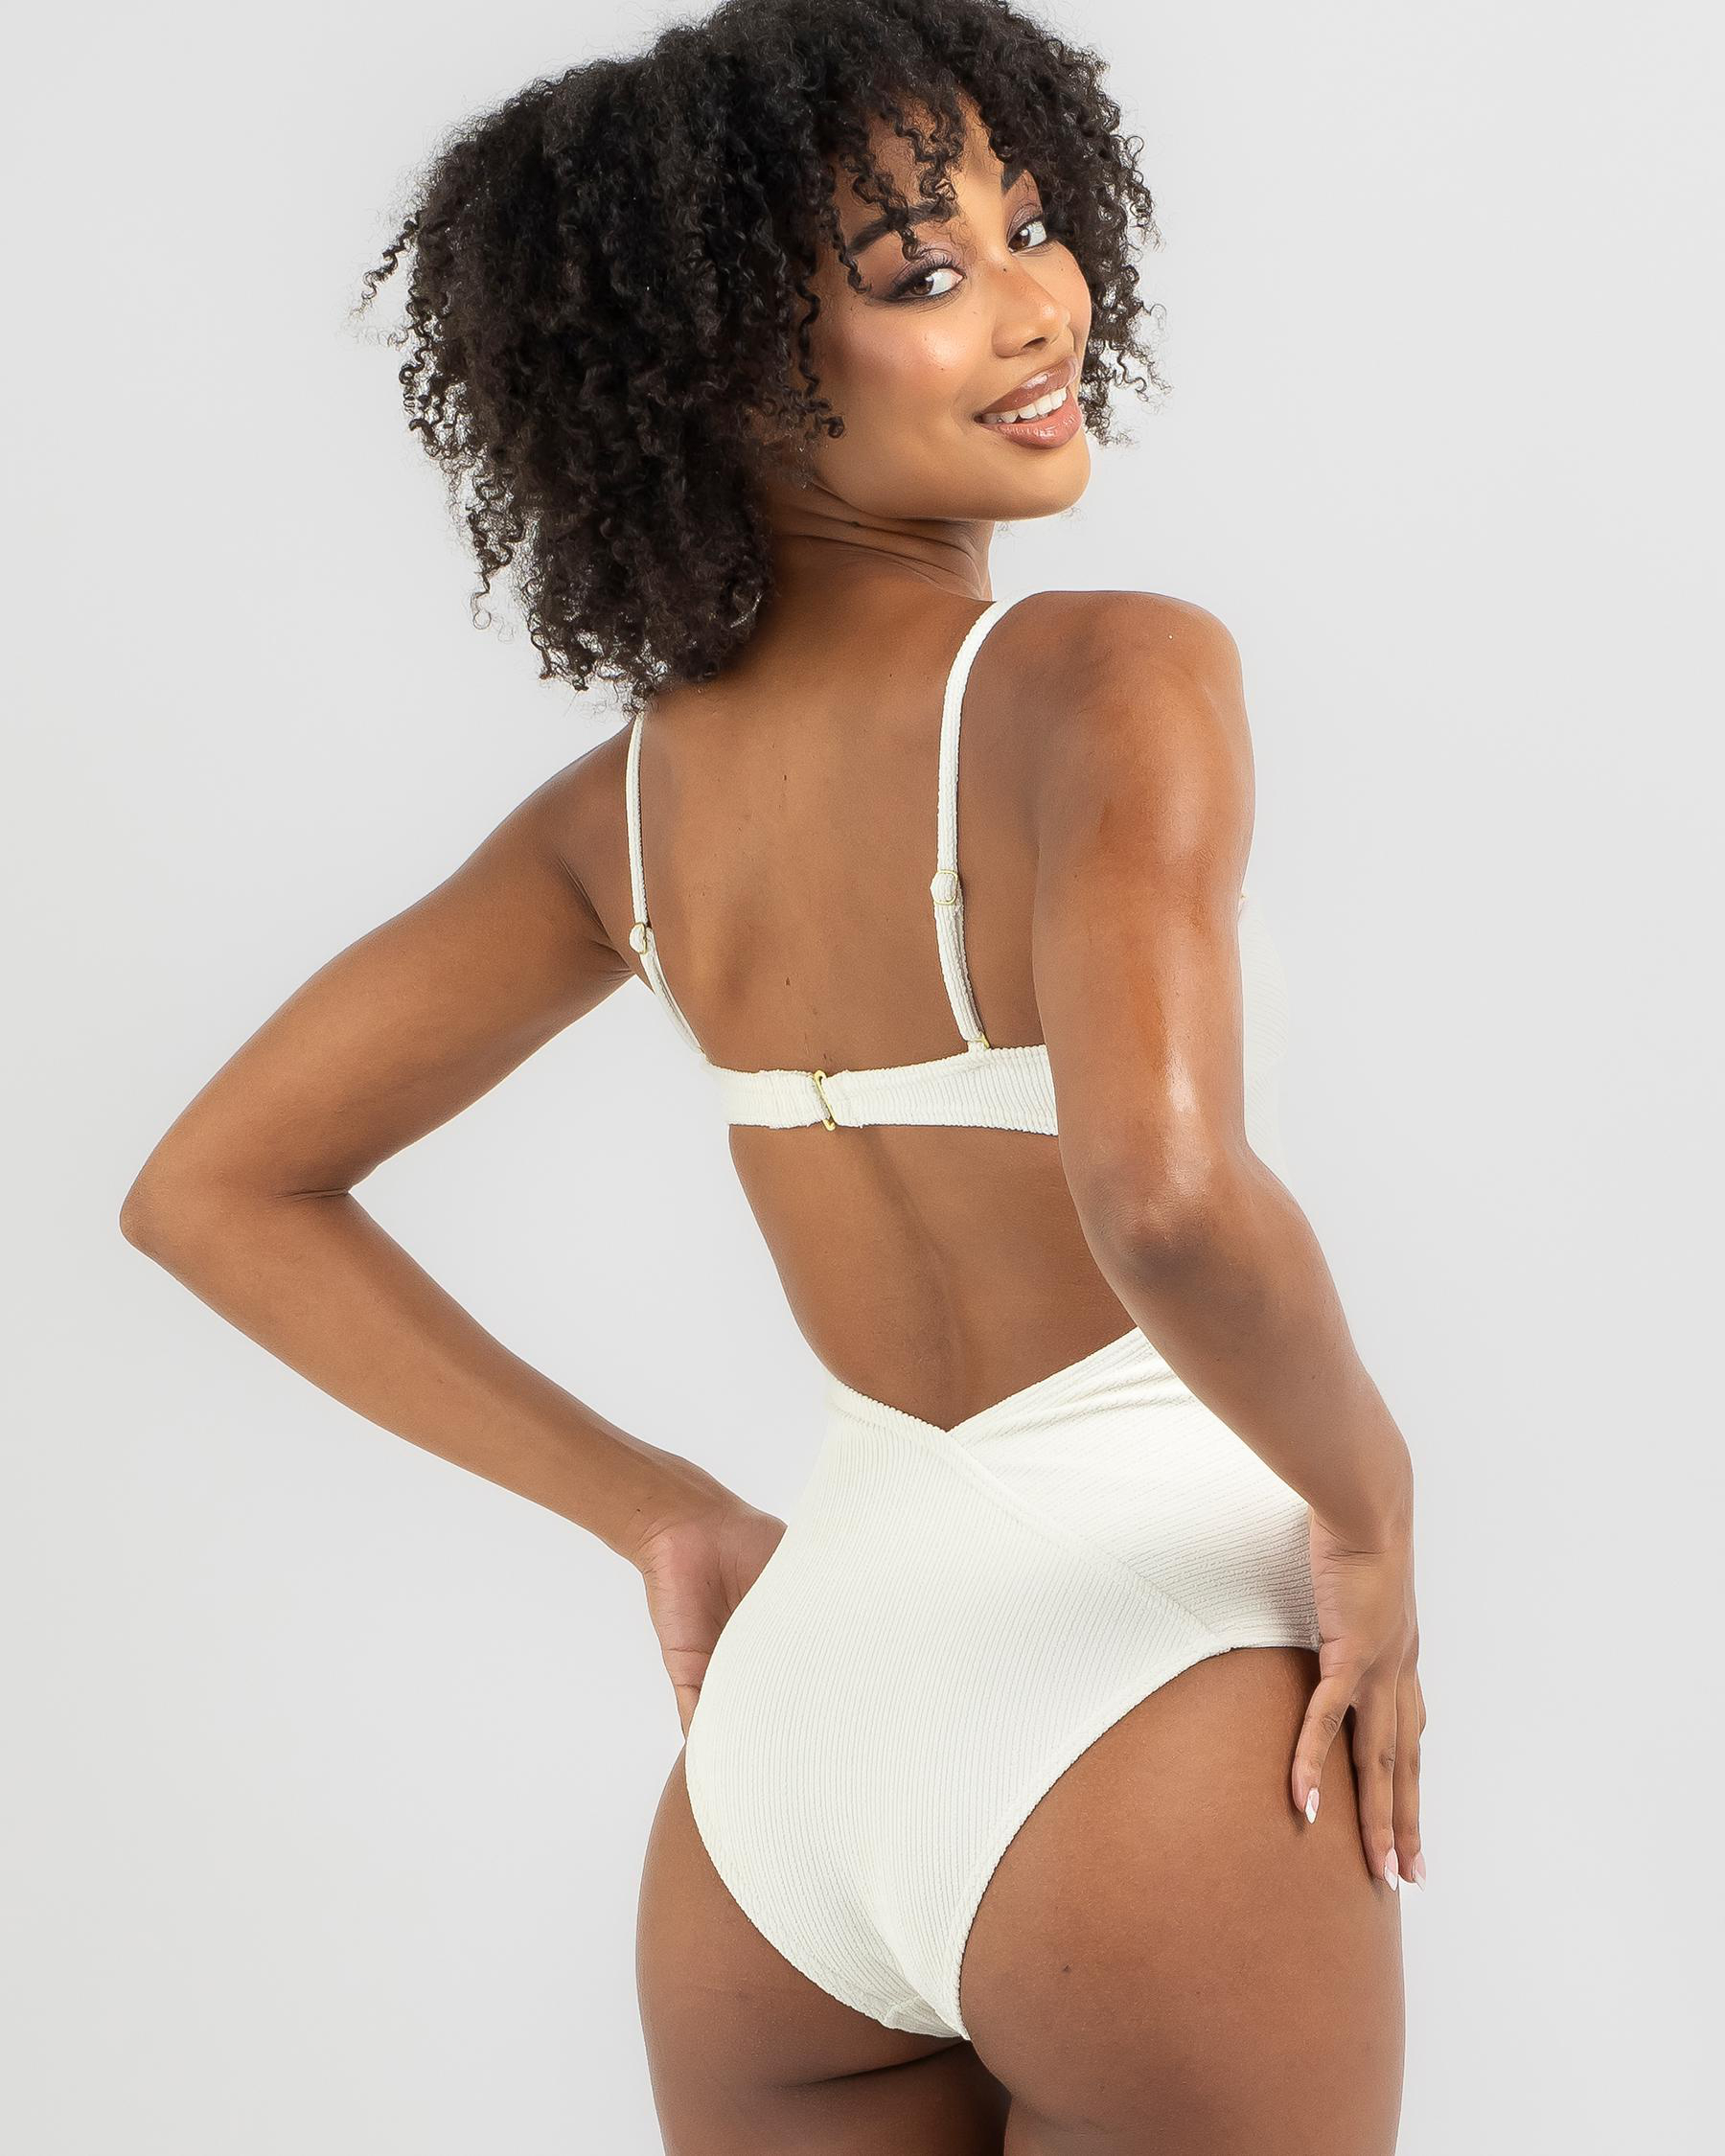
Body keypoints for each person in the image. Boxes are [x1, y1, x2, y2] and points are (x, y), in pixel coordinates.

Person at [120, 2, 1424, 2148]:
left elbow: (211, 1188)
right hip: (1153, 1694)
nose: (1038, 308)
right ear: (726, 373)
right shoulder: (1114, 675)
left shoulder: (621, 818)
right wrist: (1368, 1513)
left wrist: (656, 1513)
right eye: (927, 274)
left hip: (789, 1755)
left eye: (1030, 225)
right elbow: (1167, 1200)